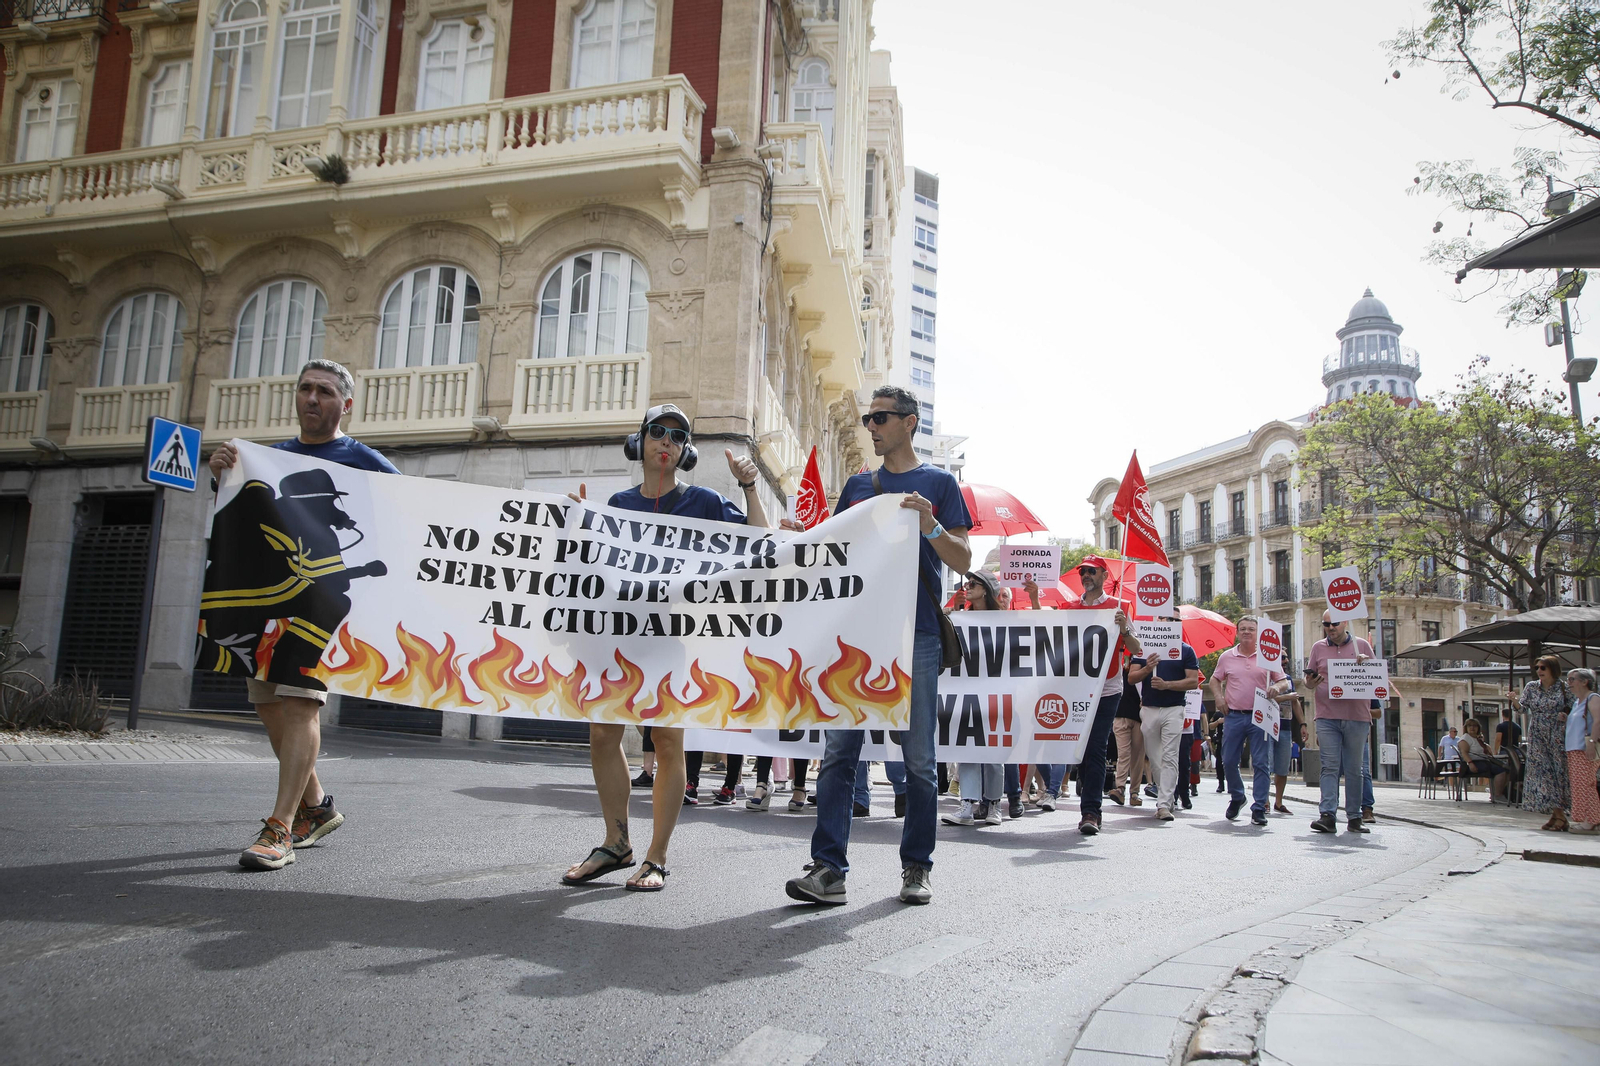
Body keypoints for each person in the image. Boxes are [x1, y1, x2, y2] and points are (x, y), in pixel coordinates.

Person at [560, 403, 779, 892]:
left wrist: (749, 486)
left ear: (686, 451)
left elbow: (760, 543)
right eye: (658, 431)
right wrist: (574, 528)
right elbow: (588, 570)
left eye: (678, 436)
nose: (667, 441)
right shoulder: (617, 505)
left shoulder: (703, 502)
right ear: (639, 442)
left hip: (667, 640)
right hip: (614, 638)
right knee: (602, 736)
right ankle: (616, 843)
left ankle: (656, 857)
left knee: (666, 741)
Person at [207, 359, 400, 871]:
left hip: (324, 604)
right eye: (306, 389)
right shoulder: (268, 459)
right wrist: (222, 474)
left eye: (326, 391)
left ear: (346, 404)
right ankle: (317, 807)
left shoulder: (363, 459)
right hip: (272, 602)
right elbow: (242, 521)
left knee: (299, 704)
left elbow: (412, 512)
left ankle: (280, 829)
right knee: (268, 704)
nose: (313, 398)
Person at [785, 385, 971, 906]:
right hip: (858, 636)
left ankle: (917, 868)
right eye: (868, 419)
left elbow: (961, 559)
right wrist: (798, 541)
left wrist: (931, 524)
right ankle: (829, 869)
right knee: (839, 753)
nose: (871, 427)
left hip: (917, 635)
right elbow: (833, 555)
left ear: (909, 422)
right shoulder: (857, 486)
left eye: (881, 418)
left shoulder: (939, 483)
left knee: (919, 762)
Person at [1058, 556, 1142, 836]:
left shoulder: (1120, 608)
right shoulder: (1069, 608)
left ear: (1104, 576)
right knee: (1080, 748)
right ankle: (1083, 795)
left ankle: (1091, 811)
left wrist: (1123, 628)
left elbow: (1136, 648)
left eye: (1092, 571)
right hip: (1076, 688)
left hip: (1107, 689)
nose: (1086, 575)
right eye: (1083, 571)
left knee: (1096, 747)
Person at [1209, 617, 1289, 827]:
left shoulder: (1268, 656)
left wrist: (1276, 687)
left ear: (1258, 633)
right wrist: (1218, 698)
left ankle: (1259, 807)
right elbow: (1214, 679)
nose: (1246, 632)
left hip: (1260, 715)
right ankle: (1237, 796)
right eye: (1243, 629)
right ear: (1237, 633)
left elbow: (1283, 681)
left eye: (1251, 629)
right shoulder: (1227, 657)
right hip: (1234, 715)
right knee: (1228, 760)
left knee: (1261, 762)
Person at [943, 570, 1007, 827]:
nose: (967, 587)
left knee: (994, 751)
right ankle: (967, 805)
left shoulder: (1004, 620)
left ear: (987, 590)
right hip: (966, 692)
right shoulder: (961, 617)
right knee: (967, 748)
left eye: (973, 584)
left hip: (995, 692)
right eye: (967, 583)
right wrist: (953, 613)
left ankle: (993, 804)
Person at [1304, 610, 1376, 834]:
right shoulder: (1318, 648)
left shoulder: (1362, 645)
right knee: (1329, 766)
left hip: (1357, 716)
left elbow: (1377, 679)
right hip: (1327, 717)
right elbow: (1308, 682)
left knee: (1355, 769)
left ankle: (1354, 817)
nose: (1330, 628)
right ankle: (1327, 815)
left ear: (1345, 622)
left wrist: (1365, 666)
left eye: (1334, 623)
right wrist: (1310, 682)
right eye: (1326, 624)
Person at [1127, 628, 1200, 821]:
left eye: (1174, 621)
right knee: (1155, 758)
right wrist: (1148, 668)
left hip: (1174, 709)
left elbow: (1193, 681)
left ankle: (1164, 804)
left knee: (1170, 756)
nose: (1169, 624)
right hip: (1149, 709)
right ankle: (1166, 796)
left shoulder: (1186, 650)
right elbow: (1131, 678)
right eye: (1166, 620)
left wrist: (1167, 685)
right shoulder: (1143, 649)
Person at [1511, 655, 1572, 832]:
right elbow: (1522, 709)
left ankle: (1558, 815)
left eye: (1543, 668)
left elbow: (1574, 707)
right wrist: (1514, 700)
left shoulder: (1563, 687)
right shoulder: (1531, 687)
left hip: (1557, 734)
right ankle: (1558, 815)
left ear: (1552, 669)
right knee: (1542, 775)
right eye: (1537, 667)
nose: (1539, 671)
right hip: (1537, 734)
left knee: (1557, 773)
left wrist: (1565, 715)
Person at [1564, 669, 1600, 833]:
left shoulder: (1593, 698)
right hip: (1574, 748)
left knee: (1587, 784)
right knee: (1580, 785)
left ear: (1585, 682)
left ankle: (1591, 821)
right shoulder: (1577, 702)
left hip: (1584, 748)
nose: (1569, 683)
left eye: (1572, 679)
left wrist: (1592, 742)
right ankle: (1587, 819)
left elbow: (1598, 720)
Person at [1108, 660, 1146, 808]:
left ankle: (1134, 791)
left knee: (1138, 755)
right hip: (1121, 715)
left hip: (1139, 717)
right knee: (1124, 754)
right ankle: (1121, 788)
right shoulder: (1118, 670)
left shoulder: (1144, 671)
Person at [1271, 684, 1307, 814]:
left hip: (1285, 727)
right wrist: (1287, 697)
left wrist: (1303, 723)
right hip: (1266, 726)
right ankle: (1264, 801)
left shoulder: (1288, 680)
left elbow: (1295, 702)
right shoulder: (1265, 676)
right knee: (1264, 765)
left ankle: (1278, 802)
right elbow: (1264, 698)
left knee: (1283, 767)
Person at [1457, 718, 1510, 801]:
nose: (1472, 728)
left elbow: (1487, 750)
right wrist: (1470, 763)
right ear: (1466, 728)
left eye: (1475, 726)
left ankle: (1497, 792)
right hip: (1474, 763)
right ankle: (1497, 794)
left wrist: (1483, 742)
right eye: (1469, 726)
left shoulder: (1477, 738)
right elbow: (1464, 753)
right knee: (1501, 771)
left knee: (1508, 769)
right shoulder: (1465, 739)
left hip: (1485, 761)